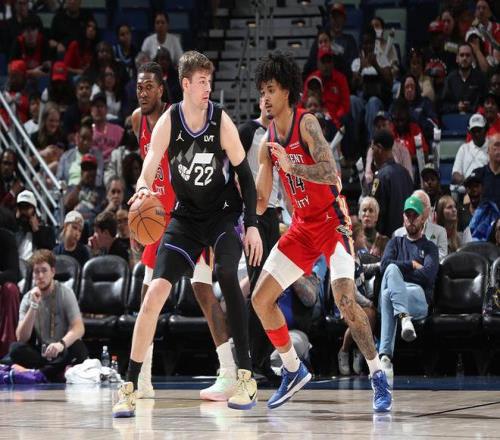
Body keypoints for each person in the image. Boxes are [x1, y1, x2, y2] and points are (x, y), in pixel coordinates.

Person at [112, 51, 262, 417]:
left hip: (223, 215)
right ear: (185, 85)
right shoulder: (169, 120)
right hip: (187, 219)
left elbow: (245, 177)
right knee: (153, 294)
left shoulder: (220, 120)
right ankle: (130, 385)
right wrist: (143, 187)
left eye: (210, 81)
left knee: (225, 274)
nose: (208, 88)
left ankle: (244, 376)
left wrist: (252, 225)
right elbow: (150, 163)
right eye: (201, 82)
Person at [252, 51, 391, 412]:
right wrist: (243, 186)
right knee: (260, 299)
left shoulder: (307, 123)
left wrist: (293, 166)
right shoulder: (267, 140)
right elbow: (262, 202)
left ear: (286, 91)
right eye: (261, 92)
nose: (265, 98)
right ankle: (293, 369)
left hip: (332, 222)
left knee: (345, 300)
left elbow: (332, 175)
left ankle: (377, 374)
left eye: (270, 90)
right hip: (301, 227)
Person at [379, 196, 439, 384]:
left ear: (423, 219)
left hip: (417, 297)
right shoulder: (395, 242)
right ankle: (404, 318)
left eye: (415, 215)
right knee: (390, 272)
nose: (411, 219)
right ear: (403, 217)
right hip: (400, 296)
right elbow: (383, 266)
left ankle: (385, 358)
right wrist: (411, 265)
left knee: (389, 293)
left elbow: (428, 276)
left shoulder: (430, 247)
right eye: (408, 215)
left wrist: (401, 275)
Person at [9, 249, 87, 382]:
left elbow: (79, 328)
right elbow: (21, 337)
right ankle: (53, 372)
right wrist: (33, 306)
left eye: (44, 271)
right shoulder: (28, 298)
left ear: (53, 272)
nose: (40, 276)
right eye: (36, 271)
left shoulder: (65, 292)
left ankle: (37, 373)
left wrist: (61, 344)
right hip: (42, 353)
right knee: (15, 349)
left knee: (79, 348)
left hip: (62, 349)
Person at [370, 129, 413, 257]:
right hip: (407, 242)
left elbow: (378, 212)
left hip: (387, 245)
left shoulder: (381, 176)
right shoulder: (405, 173)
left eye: (373, 148)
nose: (372, 152)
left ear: (379, 148)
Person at [394, 189, 448, 262]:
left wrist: (419, 261)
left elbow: (442, 257)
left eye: (422, 205)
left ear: (429, 209)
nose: (419, 208)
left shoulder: (440, 231)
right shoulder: (398, 234)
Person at [15, 190, 56, 260]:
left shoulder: (47, 231)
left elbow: (47, 255)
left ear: (34, 210)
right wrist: (16, 222)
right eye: (21, 207)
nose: (24, 211)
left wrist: (36, 231)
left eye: (27, 207)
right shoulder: (13, 229)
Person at [452, 113, 489, 186]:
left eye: (479, 130)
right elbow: (455, 173)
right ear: (469, 131)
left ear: (485, 129)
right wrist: (467, 183)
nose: (477, 134)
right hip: (467, 187)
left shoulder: (492, 147)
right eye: (474, 131)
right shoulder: (464, 148)